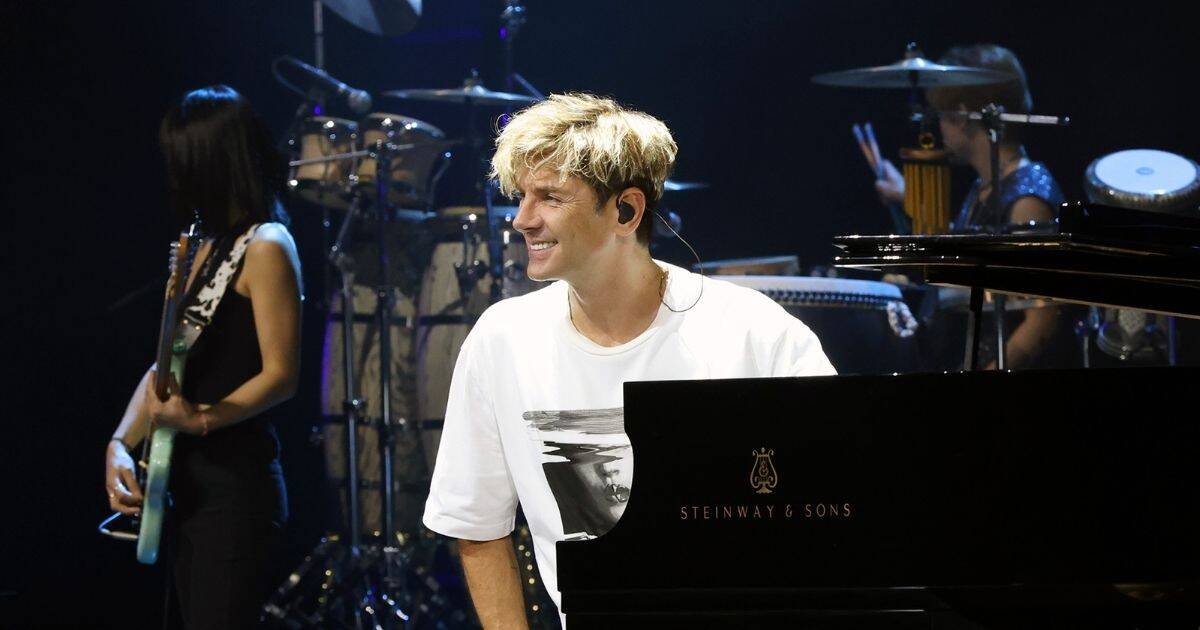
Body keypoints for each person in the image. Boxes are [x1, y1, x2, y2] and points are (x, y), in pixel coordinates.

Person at [421, 93, 835, 627]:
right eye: (522, 196)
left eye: (549, 197)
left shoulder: (755, 331)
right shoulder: (502, 339)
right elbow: (477, 526)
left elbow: (835, 501)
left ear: (626, 211)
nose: (522, 219)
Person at [103, 85, 303, 629]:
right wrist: (121, 443)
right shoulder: (202, 246)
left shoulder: (267, 244)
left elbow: (282, 374)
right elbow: (166, 366)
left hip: (235, 490)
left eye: (181, 160)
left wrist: (202, 419)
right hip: (185, 485)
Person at [874, 44, 1069, 369]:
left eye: (942, 116)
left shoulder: (1026, 201)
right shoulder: (985, 185)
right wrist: (910, 199)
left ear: (962, 117)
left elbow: (1042, 322)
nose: (939, 127)